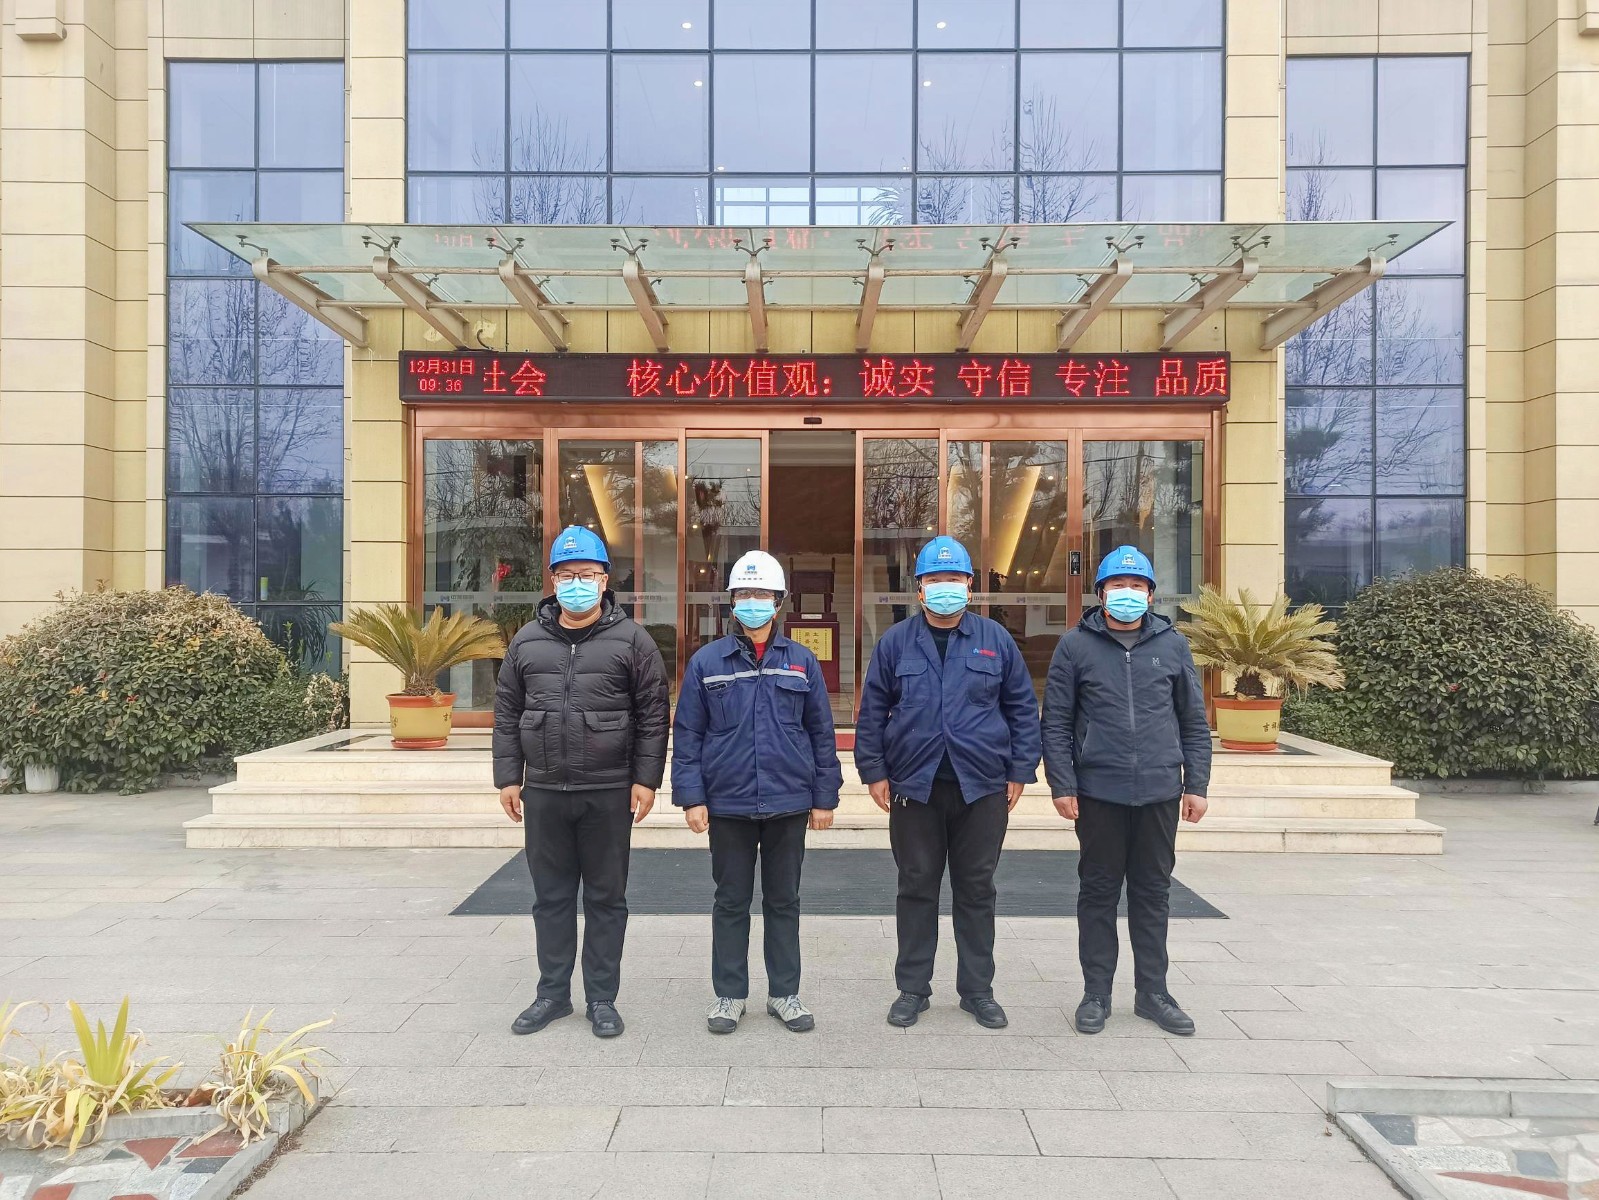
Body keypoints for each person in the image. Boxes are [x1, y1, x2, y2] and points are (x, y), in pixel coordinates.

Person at [854, 535, 1042, 1030]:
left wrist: (1020, 770)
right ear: (919, 589)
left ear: (970, 586)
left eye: (953, 579)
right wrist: (873, 771)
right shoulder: (896, 642)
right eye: (935, 580)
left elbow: (1023, 709)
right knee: (916, 886)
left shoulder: (995, 640)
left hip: (982, 787)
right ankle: (912, 989)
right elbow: (872, 711)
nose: (944, 588)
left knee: (977, 888)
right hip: (914, 787)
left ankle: (977, 991)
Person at [493, 525, 670, 1039]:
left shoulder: (633, 641)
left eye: (587, 574)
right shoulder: (526, 641)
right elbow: (506, 713)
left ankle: (601, 999)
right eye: (567, 575)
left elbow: (653, 715)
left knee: (606, 899)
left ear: (605, 580)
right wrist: (508, 776)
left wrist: (646, 779)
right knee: (549, 898)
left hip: (608, 791)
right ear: (552, 581)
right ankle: (551, 995)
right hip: (545, 791)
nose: (577, 584)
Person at [1042, 545, 1213, 1038]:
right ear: (1100, 593)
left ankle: (1152, 993)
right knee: (1098, 892)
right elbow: (1056, 722)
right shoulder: (1075, 645)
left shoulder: (1173, 645)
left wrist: (1197, 784)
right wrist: (1062, 783)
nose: (1128, 593)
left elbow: (1193, 720)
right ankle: (1096, 993)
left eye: (1137, 586)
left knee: (1152, 892)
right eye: (1118, 585)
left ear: (1151, 595)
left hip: (1160, 790)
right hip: (1099, 791)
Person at [672, 551, 842, 1035]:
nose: (753, 602)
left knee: (784, 901)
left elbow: (821, 733)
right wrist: (692, 797)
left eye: (762, 594)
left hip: (789, 801)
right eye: (744, 594)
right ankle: (729, 995)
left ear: (778, 601)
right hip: (728, 803)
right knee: (730, 901)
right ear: (732, 601)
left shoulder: (801, 662)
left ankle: (785, 993)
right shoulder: (707, 662)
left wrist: (824, 796)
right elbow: (688, 734)